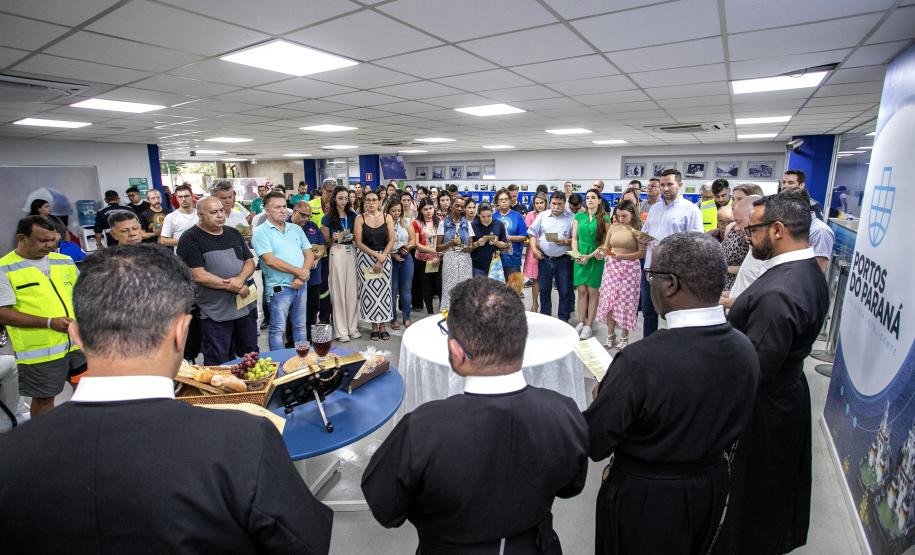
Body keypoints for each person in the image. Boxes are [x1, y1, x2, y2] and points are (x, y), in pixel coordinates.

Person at [0, 244, 333, 553]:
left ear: (75, 334)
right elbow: (305, 543)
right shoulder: (244, 440)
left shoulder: (11, 454)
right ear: (181, 331)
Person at [362, 277, 588, 553]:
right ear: (520, 341)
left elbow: (385, 506)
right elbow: (570, 486)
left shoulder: (422, 429)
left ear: (457, 352)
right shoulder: (564, 413)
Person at [585, 231, 759, 555]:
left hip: (645, 497)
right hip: (712, 487)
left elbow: (595, 440)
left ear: (671, 285)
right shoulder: (745, 348)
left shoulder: (639, 361)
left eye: (651, 275)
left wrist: (605, 399)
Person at [727, 191, 829, 555]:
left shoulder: (780, 292)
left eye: (752, 230)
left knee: (757, 498)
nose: (747, 237)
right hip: (786, 391)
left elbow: (754, 368)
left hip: (767, 411)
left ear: (778, 230)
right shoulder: (803, 271)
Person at [0, 216, 85, 417]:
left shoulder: (63, 261)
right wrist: (48, 323)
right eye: (43, 240)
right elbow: (3, 313)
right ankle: (43, 442)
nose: (50, 245)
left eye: (53, 239)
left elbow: (83, 293)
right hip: (40, 351)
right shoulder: (5, 269)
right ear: (22, 238)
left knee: (86, 392)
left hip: (78, 343)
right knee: (45, 399)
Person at [177, 197, 257, 365]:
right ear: (200, 215)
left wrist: (240, 280)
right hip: (214, 311)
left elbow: (249, 262)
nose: (220, 215)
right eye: (214, 212)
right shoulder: (190, 238)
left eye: (221, 210)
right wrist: (234, 286)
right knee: (219, 359)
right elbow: (198, 275)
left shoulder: (233, 233)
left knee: (250, 353)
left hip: (244, 306)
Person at [639, 168, 703, 337]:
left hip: (673, 272)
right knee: (648, 313)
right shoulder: (654, 209)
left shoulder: (691, 210)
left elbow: (696, 243)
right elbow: (646, 231)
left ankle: (674, 353)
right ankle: (649, 347)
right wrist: (642, 238)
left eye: (670, 184)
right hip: (650, 269)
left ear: (680, 185)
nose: (665, 188)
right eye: (662, 185)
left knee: (673, 316)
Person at [252, 192, 314, 351]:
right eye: (277, 207)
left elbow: (308, 253)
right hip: (279, 289)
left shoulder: (296, 229)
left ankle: (302, 362)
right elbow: (269, 260)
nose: (282, 210)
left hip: (301, 285)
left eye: (284, 206)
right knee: (277, 330)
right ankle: (279, 367)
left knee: (300, 327)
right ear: (266, 210)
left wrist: (303, 273)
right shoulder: (261, 232)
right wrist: (299, 272)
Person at [594, 200, 645, 351]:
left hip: (629, 270)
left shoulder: (637, 229)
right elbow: (606, 246)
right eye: (618, 216)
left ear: (633, 214)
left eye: (624, 216)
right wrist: (601, 253)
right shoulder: (614, 226)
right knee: (609, 301)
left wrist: (623, 257)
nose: (620, 219)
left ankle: (624, 336)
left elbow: (642, 252)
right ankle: (610, 335)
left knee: (625, 304)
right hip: (611, 268)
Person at [528, 191, 575, 323]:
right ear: (550, 202)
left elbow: (576, 239)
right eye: (554, 203)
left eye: (560, 204)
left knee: (565, 291)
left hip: (563, 260)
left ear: (564, 204)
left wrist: (566, 241)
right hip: (545, 259)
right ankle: (546, 319)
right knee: (544, 291)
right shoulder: (542, 216)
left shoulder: (571, 217)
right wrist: (534, 249)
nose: (556, 206)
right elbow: (532, 234)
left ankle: (563, 319)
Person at [354, 190, 395, 341]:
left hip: (384, 258)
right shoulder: (360, 218)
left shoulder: (387, 217)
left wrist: (382, 257)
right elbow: (358, 242)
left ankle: (383, 326)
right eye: (368, 200)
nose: (371, 203)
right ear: (364, 202)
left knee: (384, 294)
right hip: (366, 259)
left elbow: (392, 239)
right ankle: (373, 327)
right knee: (370, 294)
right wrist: (376, 256)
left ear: (379, 202)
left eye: (374, 200)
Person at [321, 186, 360, 342]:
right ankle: (341, 331)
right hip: (336, 251)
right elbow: (326, 241)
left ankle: (353, 327)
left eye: (346, 198)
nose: (344, 201)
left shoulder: (353, 215)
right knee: (338, 291)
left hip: (351, 250)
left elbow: (359, 236)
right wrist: (333, 237)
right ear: (334, 199)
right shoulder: (327, 218)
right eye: (340, 198)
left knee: (351, 291)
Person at [572, 189, 611, 340]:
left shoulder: (604, 218)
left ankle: (589, 325)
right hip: (580, 257)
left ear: (599, 200)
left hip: (595, 257)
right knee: (581, 292)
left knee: (593, 292)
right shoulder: (579, 216)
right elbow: (574, 238)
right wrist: (576, 254)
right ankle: (581, 322)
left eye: (593, 198)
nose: (589, 200)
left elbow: (606, 242)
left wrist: (589, 256)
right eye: (587, 198)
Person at [291, 201, 328, 341]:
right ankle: (292, 342)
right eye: (303, 215)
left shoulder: (312, 226)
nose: (306, 219)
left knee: (312, 309)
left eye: (308, 216)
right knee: (294, 312)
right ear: (294, 212)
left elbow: (322, 246)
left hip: (313, 277)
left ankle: (310, 340)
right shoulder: (286, 227)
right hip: (295, 278)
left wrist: (317, 257)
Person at [721, 195, 765, 309]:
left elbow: (759, 302)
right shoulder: (753, 248)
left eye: (739, 222)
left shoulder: (766, 254)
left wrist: (722, 302)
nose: (736, 228)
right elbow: (742, 289)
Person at [436, 196, 474, 310]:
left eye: (462, 207)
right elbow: (438, 247)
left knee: (465, 286)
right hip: (449, 258)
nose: (459, 208)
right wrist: (449, 244)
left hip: (465, 259)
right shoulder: (443, 223)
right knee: (449, 286)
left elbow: (471, 245)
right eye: (456, 205)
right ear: (451, 206)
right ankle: (448, 313)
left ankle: (465, 313)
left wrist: (468, 248)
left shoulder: (467, 223)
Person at [386, 197, 415, 330]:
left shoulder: (406, 221)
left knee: (406, 290)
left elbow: (413, 239)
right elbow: (381, 244)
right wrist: (391, 254)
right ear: (388, 211)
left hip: (406, 258)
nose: (397, 213)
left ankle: (406, 317)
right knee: (392, 290)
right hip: (390, 259)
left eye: (399, 210)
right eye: (394, 211)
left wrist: (407, 248)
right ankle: (393, 319)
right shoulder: (384, 223)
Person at [412, 199, 442, 315]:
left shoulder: (439, 221)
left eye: (430, 208)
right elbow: (416, 244)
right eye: (425, 209)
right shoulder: (416, 223)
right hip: (422, 260)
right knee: (426, 287)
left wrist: (438, 255)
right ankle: (430, 312)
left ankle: (441, 312)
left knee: (440, 286)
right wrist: (433, 250)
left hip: (438, 259)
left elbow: (443, 240)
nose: (428, 211)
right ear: (421, 210)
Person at [493, 188, 528, 280]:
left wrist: (508, 238)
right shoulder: (493, 217)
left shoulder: (517, 216)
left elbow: (524, 236)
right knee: (497, 291)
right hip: (496, 259)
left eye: (506, 199)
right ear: (497, 202)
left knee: (514, 289)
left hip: (513, 259)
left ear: (510, 200)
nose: (504, 202)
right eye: (501, 200)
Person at [469, 202, 509, 278]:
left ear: (492, 213)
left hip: (495, 264)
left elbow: (505, 245)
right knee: (479, 289)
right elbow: (469, 246)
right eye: (483, 217)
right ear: (478, 215)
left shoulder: (499, 224)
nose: (486, 219)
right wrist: (478, 243)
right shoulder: (473, 225)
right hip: (478, 265)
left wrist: (496, 243)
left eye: (489, 216)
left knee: (494, 289)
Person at [523, 192, 547, 311]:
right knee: (535, 278)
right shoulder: (530, 215)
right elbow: (528, 233)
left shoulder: (549, 214)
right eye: (537, 203)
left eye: (541, 203)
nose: (539, 205)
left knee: (545, 278)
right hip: (533, 250)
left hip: (548, 250)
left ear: (546, 203)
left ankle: (545, 305)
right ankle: (535, 303)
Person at [721, 200, 750, 292]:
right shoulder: (731, 228)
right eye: (734, 199)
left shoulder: (755, 242)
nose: (735, 203)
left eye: (740, 199)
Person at [159, 183, 198, 249]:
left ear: (192, 196)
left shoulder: (201, 214)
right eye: (180, 197)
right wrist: (185, 241)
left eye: (186, 196)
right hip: (181, 257)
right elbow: (163, 240)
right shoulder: (171, 217)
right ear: (176, 198)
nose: (183, 199)